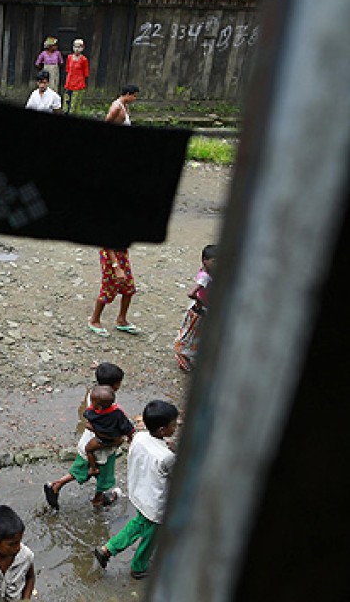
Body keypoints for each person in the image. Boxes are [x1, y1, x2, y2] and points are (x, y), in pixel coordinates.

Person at [94, 400, 180, 580]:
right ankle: (138, 567)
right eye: (174, 424)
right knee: (150, 537)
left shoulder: (140, 437)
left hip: (140, 493)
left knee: (137, 525)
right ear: (163, 430)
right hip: (156, 504)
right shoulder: (166, 457)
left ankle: (107, 549)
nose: (176, 426)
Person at [44, 362, 128, 509]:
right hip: (102, 447)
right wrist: (117, 439)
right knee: (105, 476)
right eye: (118, 383)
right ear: (113, 385)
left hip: (88, 441)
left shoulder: (94, 396)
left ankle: (56, 485)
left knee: (81, 468)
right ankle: (98, 499)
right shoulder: (106, 405)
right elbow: (109, 427)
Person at [174, 244, 217, 372]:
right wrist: (200, 301)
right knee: (192, 333)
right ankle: (182, 355)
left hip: (203, 308)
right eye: (214, 261)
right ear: (205, 260)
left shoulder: (206, 272)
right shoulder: (205, 277)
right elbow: (191, 293)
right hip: (201, 309)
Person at [80, 385, 135, 476]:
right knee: (118, 440)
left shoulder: (93, 414)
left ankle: (93, 468)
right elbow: (126, 427)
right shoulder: (118, 413)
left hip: (101, 440)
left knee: (88, 449)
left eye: (92, 401)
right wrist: (130, 437)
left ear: (99, 407)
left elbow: (86, 416)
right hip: (115, 437)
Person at [88, 247, 140, 336]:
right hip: (110, 259)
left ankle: (121, 320)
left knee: (129, 288)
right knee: (108, 288)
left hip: (121, 255)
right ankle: (94, 320)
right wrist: (116, 267)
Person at [63, 38, 89, 115]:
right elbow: (67, 69)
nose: (77, 49)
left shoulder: (84, 59)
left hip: (78, 83)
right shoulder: (69, 57)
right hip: (69, 82)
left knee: (74, 103)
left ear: (82, 48)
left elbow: (86, 73)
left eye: (79, 47)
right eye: (75, 47)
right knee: (66, 101)